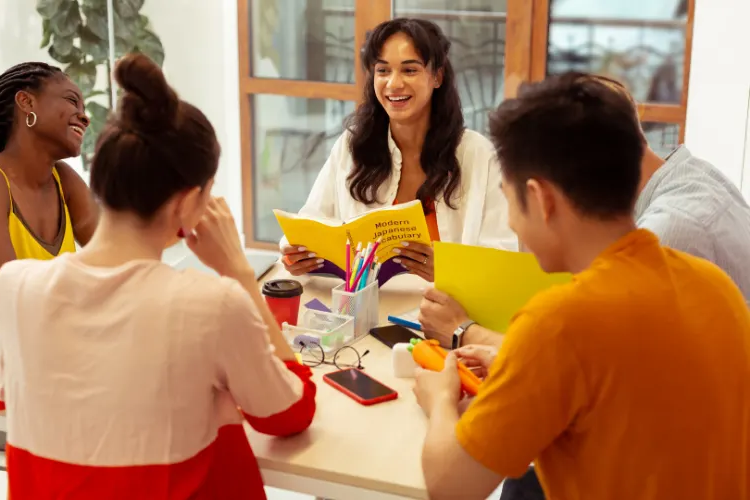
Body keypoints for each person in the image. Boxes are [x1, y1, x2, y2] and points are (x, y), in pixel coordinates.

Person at [0, 53, 316, 500]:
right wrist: (238, 272)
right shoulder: (211, 303)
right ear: (185, 204)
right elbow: (288, 414)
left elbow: (22, 396)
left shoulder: (14, 287)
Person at [413, 72, 750, 499]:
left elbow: (450, 486)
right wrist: (522, 370)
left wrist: (439, 400)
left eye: (509, 198)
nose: (513, 222)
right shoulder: (715, 287)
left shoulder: (557, 323)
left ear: (541, 199)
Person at [418, 75, 750, 350]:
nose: (512, 222)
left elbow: (588, 363)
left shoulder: (664, 237)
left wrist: (464, 331)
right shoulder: (687, 171)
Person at [281, 18, 515, 283]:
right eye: (383, 71)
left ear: (437, 76)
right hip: (362, 312)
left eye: (409, 70)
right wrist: (293, 254)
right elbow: (311, 220)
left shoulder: (477, 154)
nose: (393, 84)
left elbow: (503, 255)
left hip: (441, 315)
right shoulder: (352, 145)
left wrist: (450, 268)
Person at [0, 62, 98, 463]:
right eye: (71, 100)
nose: (84, 114)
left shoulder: (64, 181)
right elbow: (12, 308)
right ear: (25, 102)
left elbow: (122, 263)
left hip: (50, 380)